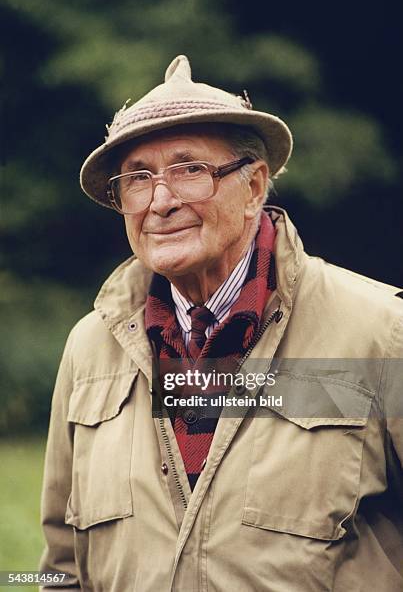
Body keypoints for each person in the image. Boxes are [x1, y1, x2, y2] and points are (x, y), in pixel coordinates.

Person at [39, 55, 403, 591]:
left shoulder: (381, 331)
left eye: (189, 170)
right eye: (138, 179)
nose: (160, 202)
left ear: (255, 187)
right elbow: (61, 572)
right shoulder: (90, 349)